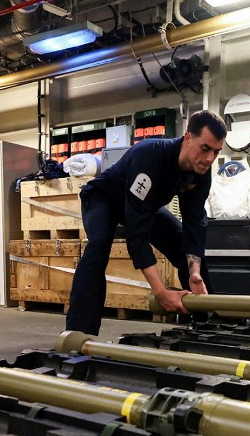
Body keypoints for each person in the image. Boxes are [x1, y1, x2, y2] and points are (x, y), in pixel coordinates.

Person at [65, 110, 227, 335]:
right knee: (98, 246)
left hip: (144, 206)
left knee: (184, 245)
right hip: (104, 198)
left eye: (216, 152)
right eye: (205, 148)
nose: (210, 159)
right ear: (188, 138)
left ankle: (206, 328)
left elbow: (194, 223)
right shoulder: (150, 155)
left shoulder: (201, 171)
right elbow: (136, 233)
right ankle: (78, 335)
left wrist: (194, 273)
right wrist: (161, 292)